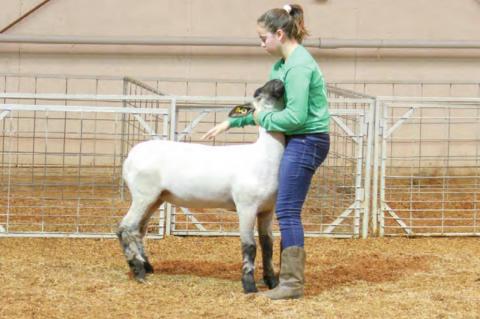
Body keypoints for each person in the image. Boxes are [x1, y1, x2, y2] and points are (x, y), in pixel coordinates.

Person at [203, 4, 330, 300]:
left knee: (286, 210)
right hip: (292, 138)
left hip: (307, 138)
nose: (261, 44)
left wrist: (260, 119)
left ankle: (291, 284)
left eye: (263, 38)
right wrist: (233, 121)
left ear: (280, 33)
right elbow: (269, 108)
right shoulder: (280, 66)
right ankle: (277, 276)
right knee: (282, 208)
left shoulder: (298, 66)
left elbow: (295, 117)